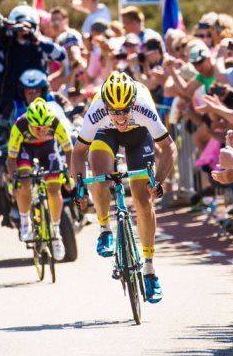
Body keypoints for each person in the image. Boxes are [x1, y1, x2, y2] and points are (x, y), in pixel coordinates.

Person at [71, 71, 176, 303]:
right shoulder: (97, 108)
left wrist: (159, 180)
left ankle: (149, 270)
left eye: (125, 110)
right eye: (114, 111)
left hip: (139, 137)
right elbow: (78, 152)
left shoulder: (144, 106)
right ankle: (105, 229)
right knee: (98, 174)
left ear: (133, 104)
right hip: (105, 135)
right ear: (106, 106)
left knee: (142, 200)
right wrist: (78, 186)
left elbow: (169, 148)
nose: (119, 117)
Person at [6, 97, 72, 261]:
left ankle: (56, 233)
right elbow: (11, 159)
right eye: (37, 128)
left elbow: (69, 152)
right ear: (30, 123)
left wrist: (70, 175)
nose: (42, 131)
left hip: (49, 149)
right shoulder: (20, 125)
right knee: (24, 182)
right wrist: (15, 181)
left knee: (54, 188)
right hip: (25, 150)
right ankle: (25, 222)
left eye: (45, 127)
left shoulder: (56, 123)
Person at [0, 4, 66, 120]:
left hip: (40, 108)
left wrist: (37, 39)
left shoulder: (41, 45)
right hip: (10, 109)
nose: (22, 31)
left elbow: (61, 55)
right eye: (18, 27)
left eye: (26, 27)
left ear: (34, 26)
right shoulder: (6, 49)